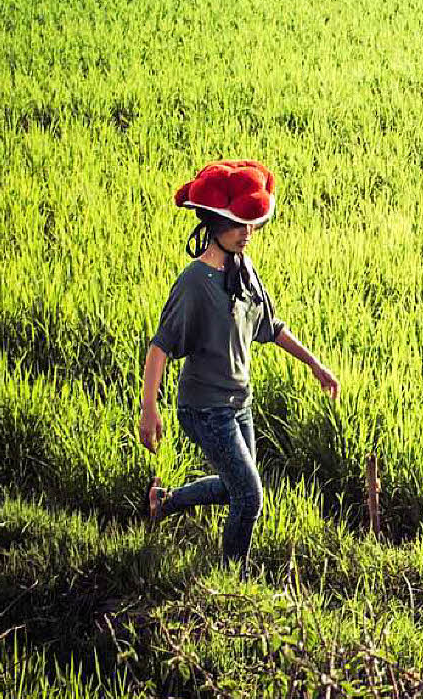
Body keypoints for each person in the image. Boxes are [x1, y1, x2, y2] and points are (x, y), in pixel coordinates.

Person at [139, 160, 339, 580]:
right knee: (249, 496)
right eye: (238, 224)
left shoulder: (244, 270)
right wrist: (149, 410)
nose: (248, 233)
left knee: (236, 488)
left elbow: (272, 326)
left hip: (239, 404)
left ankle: (164, 501)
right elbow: (160, 348)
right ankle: (234, 579)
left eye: (252, 224)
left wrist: (316, 365)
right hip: (204, 409)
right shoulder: (194, 283)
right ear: (215, 223)